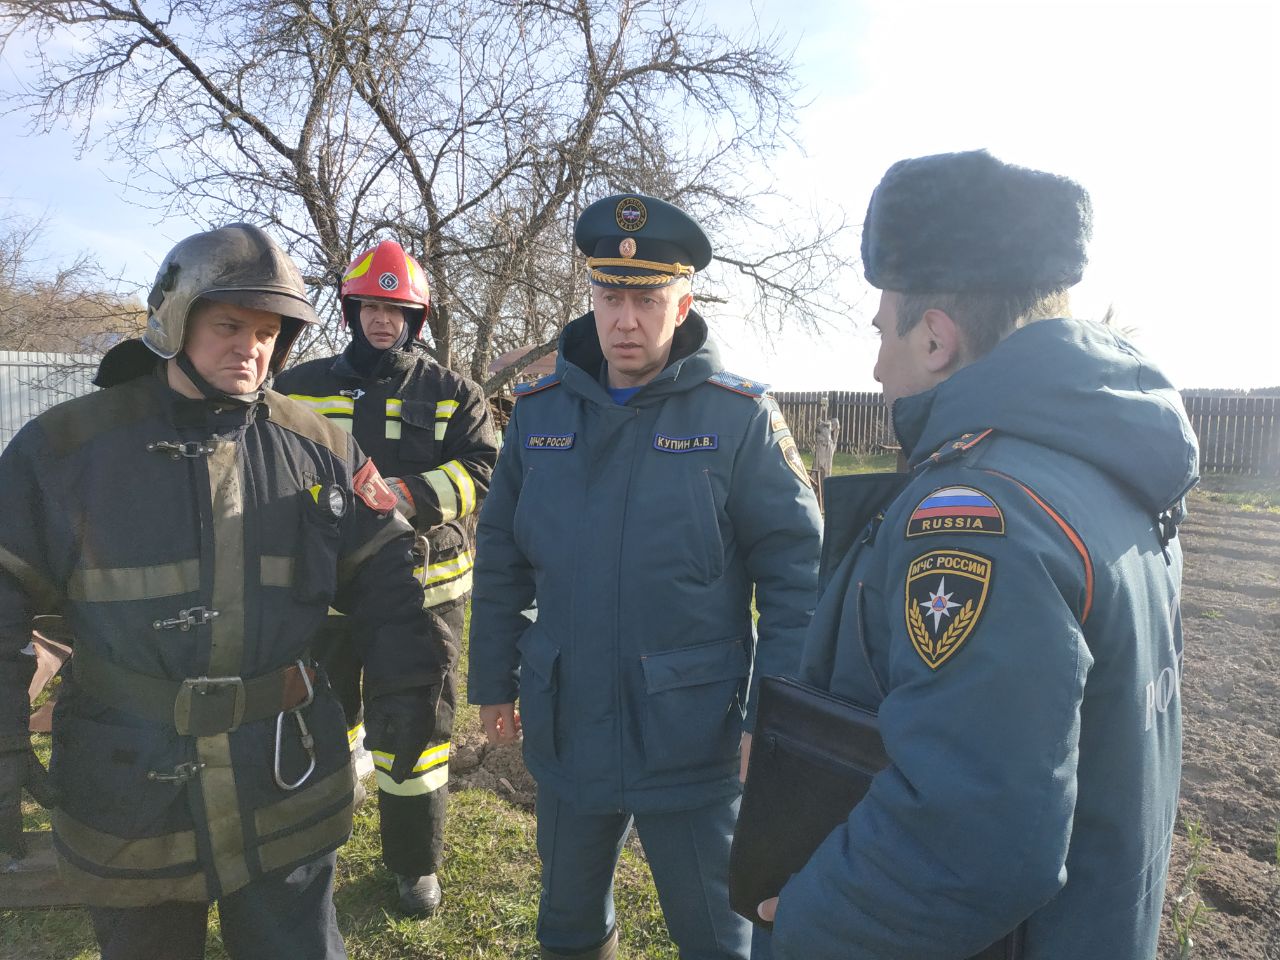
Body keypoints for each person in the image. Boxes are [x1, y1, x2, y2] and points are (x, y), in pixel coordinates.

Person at [752, 150, 1199, 959]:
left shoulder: (978, 516)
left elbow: (970, 836)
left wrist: (811, 920)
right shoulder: (1106, 467)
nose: (874, 363)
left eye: (882, 329)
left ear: (934, 338)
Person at [0, 224, 451, 960]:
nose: (251, 347)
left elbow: (385, 571)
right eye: (229, 325)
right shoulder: (65, 450)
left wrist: (405, 693)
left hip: (285, 780)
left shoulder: (320, 444)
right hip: (128, 789)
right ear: (175, 319)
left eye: (269, 332)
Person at [468, 193, 823, 960]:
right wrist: (494, 679)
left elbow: (799, 580)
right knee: (566, 925)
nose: (626, 320)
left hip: (691, 740)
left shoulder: (739, 419)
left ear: (683, 303)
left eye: (647, 299)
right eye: (610, 296)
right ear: (590, 298)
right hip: (567, 725)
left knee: (717, 936)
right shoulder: (537, 414)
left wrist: (777, 722)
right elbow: (500, 555)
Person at [275, 238, 497, 916]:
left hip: (420, 597)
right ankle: (315, 848)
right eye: (371, 306)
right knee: (319, 723)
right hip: (326, 596)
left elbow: (485, 471)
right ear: (351, 311)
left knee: (417, 736)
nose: (382, 320)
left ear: (417, 320)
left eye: (396, 310)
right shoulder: (298, 385)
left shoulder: (453, 392)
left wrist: (406, 496)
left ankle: (412, 866)